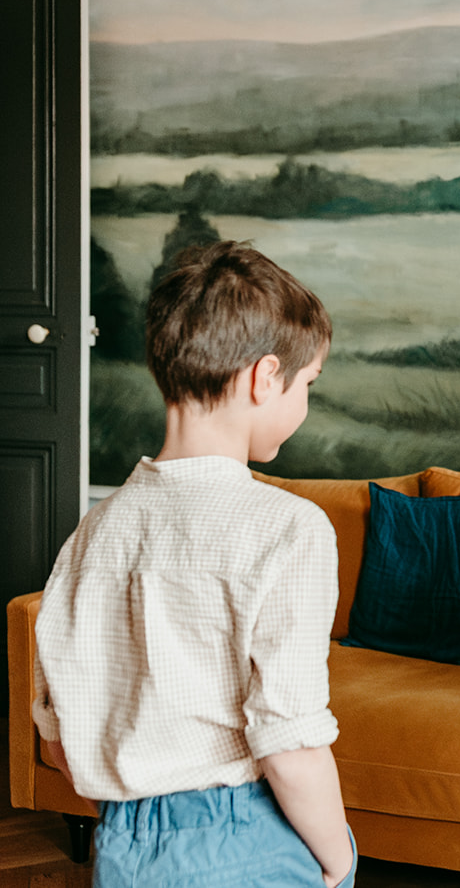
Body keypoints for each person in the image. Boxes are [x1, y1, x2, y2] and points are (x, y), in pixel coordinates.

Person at [31, 241, 357, 888]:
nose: (305, 405)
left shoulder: (91, 535)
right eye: (308, 385)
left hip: (122, 845)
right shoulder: (290, 528)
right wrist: (339, 859)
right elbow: (289, 743)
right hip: (244, 838)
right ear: (265, 377)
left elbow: (55, 739)